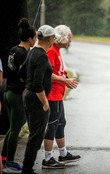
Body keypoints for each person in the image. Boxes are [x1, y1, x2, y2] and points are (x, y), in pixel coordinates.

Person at [1, 18, 36, 173]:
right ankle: (9, 161)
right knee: (16, 129)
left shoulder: (14, 49)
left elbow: (12, 70)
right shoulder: (24, 54)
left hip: (7, 92)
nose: (36, 39)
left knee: (13, 128)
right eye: (35, 37)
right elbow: (24, 75)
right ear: (30, 39)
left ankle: (3, 158)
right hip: (16, 95)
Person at [42, 25, 80, 169]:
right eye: (69, 38)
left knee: (61, 122)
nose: (70, 41)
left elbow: (57, 70)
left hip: (58, 93)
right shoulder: (51, 51)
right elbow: (47, 73)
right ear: (62, 37)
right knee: (52, 124)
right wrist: (64, 80)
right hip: (52, 94)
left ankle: (63, 154)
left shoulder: (57, 50)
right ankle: (47, 158)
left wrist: (66, 78)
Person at [20, 25, 57, 174]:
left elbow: (22, 72)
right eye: (53, 37)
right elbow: (37, 84)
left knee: (33, 135)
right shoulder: (41, 56)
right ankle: (27, 169)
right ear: (49, 39)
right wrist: (45, 102)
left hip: (27, 95)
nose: (54, 39)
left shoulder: (32, 51)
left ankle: (27, 168)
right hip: (36, 100)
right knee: (36, 137)